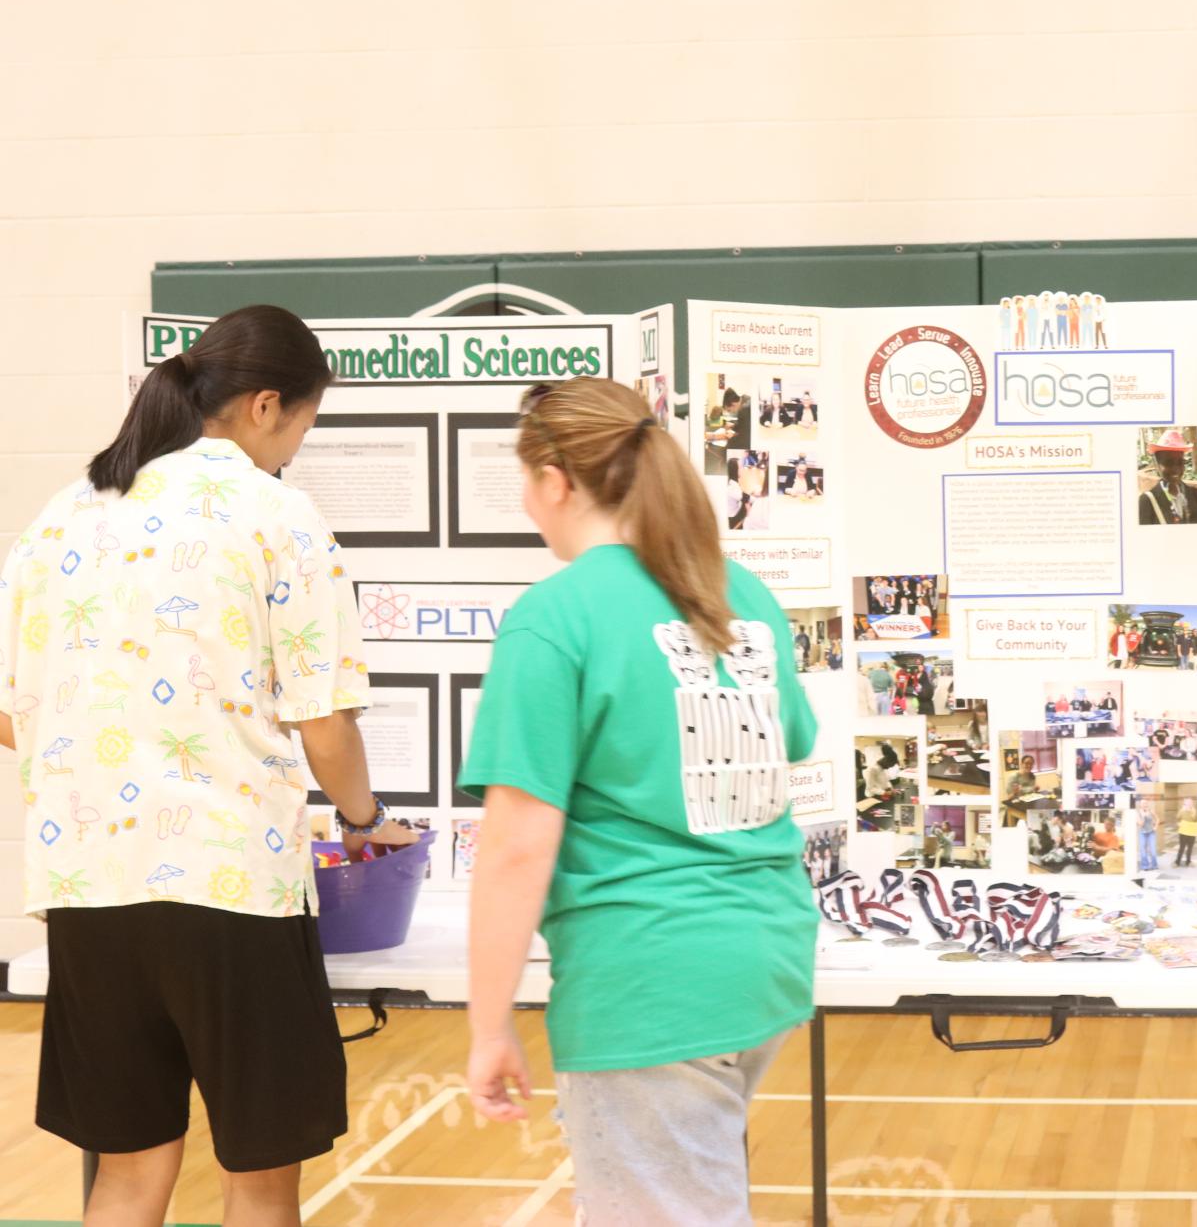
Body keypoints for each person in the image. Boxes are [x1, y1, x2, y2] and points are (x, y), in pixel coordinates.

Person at [1, 305, 418, 1224]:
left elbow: (10, 712)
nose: (294, 451)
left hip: (86, 889)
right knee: (260, 1176)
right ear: (268, 405)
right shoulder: (278, 515)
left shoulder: (65, 512)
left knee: (128, 1171)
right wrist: (361, 820)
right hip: (228, 887)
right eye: (302, 428)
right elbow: (325, 726)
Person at [462, 378, 817, 1227]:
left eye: (524, 481)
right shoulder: (740, 593)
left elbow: (517, 846)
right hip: (763, 961)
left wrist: (486, 1025)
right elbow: (792, 742)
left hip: (648, 979)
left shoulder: (556, 617)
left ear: (554, 479)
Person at [1138, 428, 1197, 525]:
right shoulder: (1147, 501)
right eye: (1168, 463)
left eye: (1180, 462)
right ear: (1157, 465)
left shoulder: (1196, 495)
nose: (1176, 469)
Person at [1176, 800, 1197, 867]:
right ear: (1185, 804)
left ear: (1192, 804)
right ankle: (1177, 861)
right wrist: (1179, 823)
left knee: (1190, 848)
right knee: (1182, 848)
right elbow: (1177, 818)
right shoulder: (1182, 811)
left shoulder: (1194, 812)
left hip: (1191, 832)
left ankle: (1188, 861)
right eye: (1187, 803)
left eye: (1190, 803)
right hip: (1183, 832)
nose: (1189, 804)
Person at [1137, 802, 1159, 872]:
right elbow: (1140, 825)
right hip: (1142, 833)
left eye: (1145, 804)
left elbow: (1158, 819)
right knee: (1143, 850)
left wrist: (1156, 826)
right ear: (1140, 805)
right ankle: (1145, 865)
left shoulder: (1151, 811)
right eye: (1143, 804)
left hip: (1151, 832)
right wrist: (1143, 817)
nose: (1144, 805)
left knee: (1153, 850)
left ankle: (1154, 865)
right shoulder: (1138, 813)